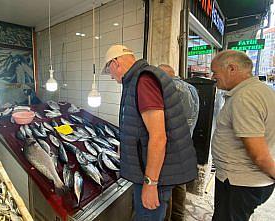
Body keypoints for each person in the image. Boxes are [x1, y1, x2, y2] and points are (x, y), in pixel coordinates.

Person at [102, 45, 197, 221]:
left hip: (154, 177)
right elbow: (141, 129)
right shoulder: (139, 79)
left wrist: (150, 183)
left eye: (108, 71)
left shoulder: (143, 81)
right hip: (150, 170)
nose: (111, 76)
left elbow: (158, 137)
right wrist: (127, 147)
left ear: (115, 63)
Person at [211, 50, 275, 221]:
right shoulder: (262, 90)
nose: (212, 77)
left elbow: (259, 155)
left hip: (240, 183)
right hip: (245, 181)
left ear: (231, 68)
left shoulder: (245, 97)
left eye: (215, 72)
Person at [159, 64, 199, 221]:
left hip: (170, 147)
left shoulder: (168, 89)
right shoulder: (192, 89)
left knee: (165, 188)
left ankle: (165, 218)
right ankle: (178, 217)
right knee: (179, 184)